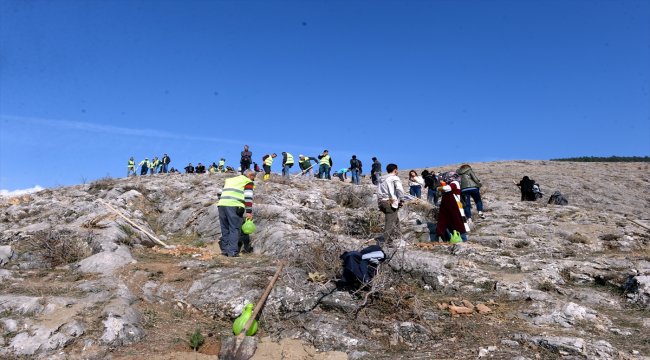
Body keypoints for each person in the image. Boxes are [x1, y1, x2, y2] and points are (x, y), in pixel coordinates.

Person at [217, 169, 257, 257]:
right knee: (234, 228)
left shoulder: (230, 180)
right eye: (253, 177)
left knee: (225, 228)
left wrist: (223, 200)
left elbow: (219, 192)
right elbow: (248, 197)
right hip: (235, 206)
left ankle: (225, 251)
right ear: (251, 175)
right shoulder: (248, 181)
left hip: (222, 205)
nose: (253, 180)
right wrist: (249, 211)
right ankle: (232, 252)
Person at [376, 163, 405, 247]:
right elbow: (399, 189)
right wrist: (402, 199)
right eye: (397, 170)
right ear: (395, 170)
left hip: (381, 202)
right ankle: (386, 242)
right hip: (389, 202)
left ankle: (397, 237)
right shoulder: (394, 178)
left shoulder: (381, 179)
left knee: (395, 219)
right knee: (390, 221)